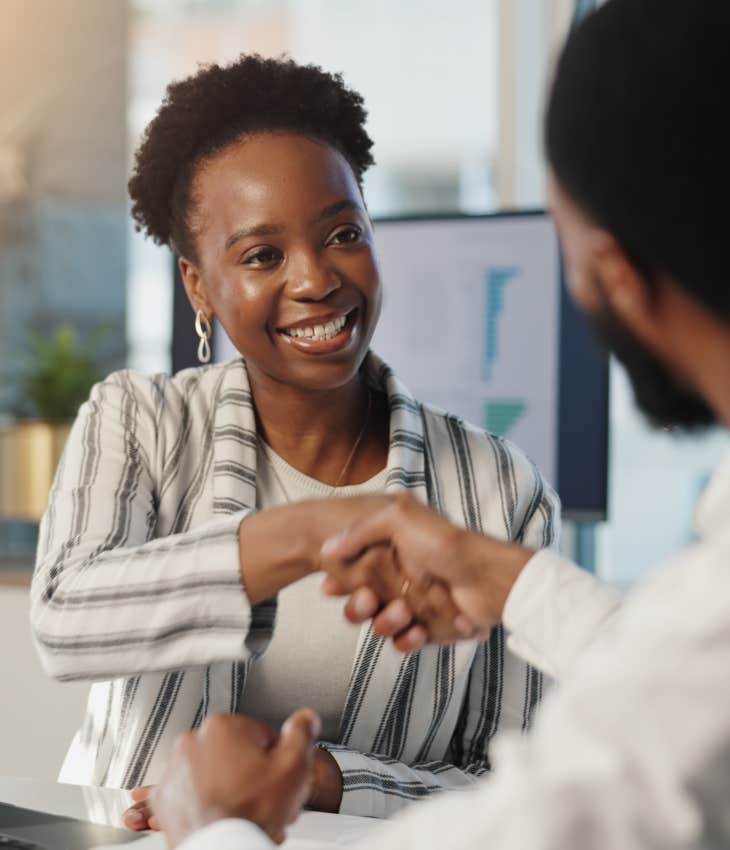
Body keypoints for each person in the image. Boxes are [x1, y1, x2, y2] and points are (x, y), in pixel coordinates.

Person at [142, 0, 730, 847]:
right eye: (261, 254)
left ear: (613, 271)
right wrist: (520, 585)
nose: (315, 281)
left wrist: (221, 825)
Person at [28, 56, 573, 821]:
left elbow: (524, 782)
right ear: (197, 284)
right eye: (262, 256)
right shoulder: (140, 422)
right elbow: (64, 618)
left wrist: (325, 781)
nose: (316, 279)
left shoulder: (497, 489)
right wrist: (302, 533)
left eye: (343, 233)